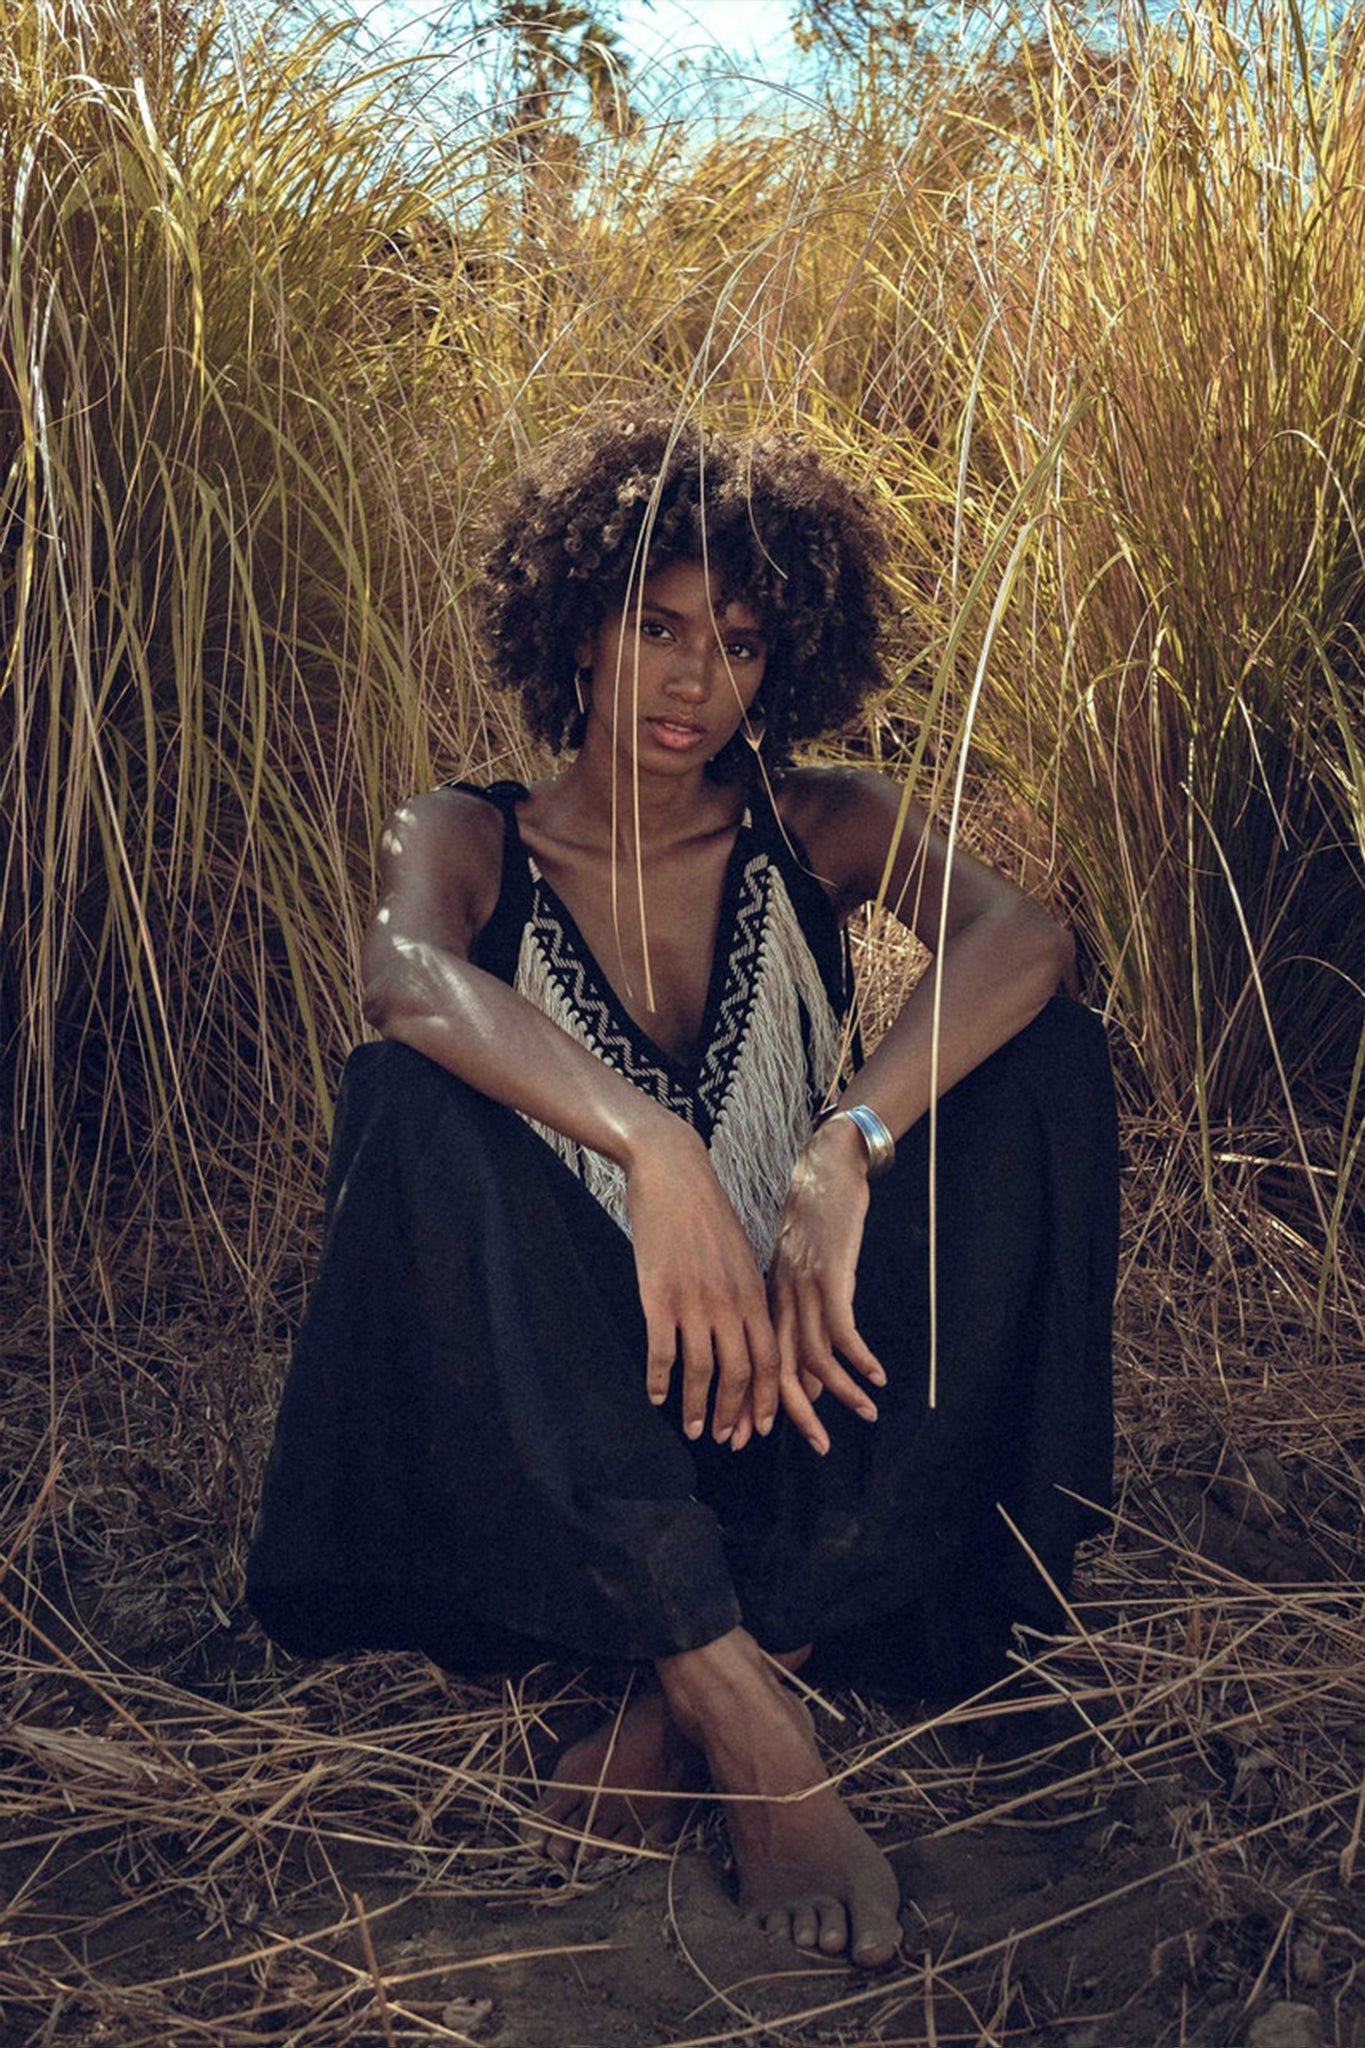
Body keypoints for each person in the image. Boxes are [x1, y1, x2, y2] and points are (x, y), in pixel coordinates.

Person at [246, 409, 1118, 1971]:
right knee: (404, 1097)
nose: (689, 679)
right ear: (574, 627)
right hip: (572, 1440)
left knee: (1046, 1063)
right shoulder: (466, 836)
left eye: (734, 642)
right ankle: (734, 1696)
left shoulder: (819, 825)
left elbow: (1023, 941)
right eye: (652, 627)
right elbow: (401, 977)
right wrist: (650, 1151)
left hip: (800, 1400)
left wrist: (838, 1149)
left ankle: (710, 1662)